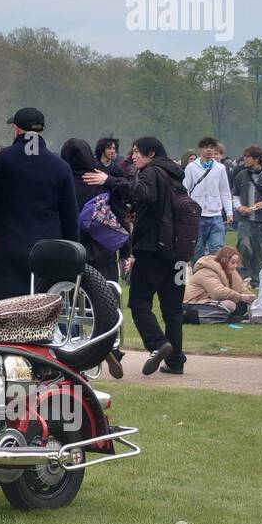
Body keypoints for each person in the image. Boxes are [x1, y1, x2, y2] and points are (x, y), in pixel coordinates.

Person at [82, 136, 184, 374]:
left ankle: (158, 344)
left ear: (151, 154)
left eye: (138, 152)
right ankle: (176, 360)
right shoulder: (175, 174)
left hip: (152, 249)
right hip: (177, 250)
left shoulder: (151, 172)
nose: (134, 156)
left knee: (139, 302)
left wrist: (109, 181)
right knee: (173, 309)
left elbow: (142, 192)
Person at [0, 107, 78, 300]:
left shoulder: (0, 160)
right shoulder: (61, 166)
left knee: (5, 312)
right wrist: (73, 253)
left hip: (8, 248)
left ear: (16, 129)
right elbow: (70, 215)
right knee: (43, 312)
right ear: (41, 131)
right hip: (47, 251)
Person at [61, 137, 127, 284]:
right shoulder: (102, 178)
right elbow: (119, 213)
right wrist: (125, 250)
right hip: (102, 247)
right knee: (106, 292)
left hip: (71, 245)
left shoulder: (63, 180)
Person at [232, 145, 262, 280]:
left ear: (257, 159)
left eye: (248, 157)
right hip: (245, 220)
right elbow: (235, 195)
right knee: (244, 245)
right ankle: (244, 275)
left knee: (260, 252)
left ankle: (259, 280)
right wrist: (239, 207)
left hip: (261, 221)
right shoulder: (241, 175)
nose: (244, 159)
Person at [183, 136, 233, 263]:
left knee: (216, 248)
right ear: (200, 150)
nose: (209, 150)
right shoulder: (191, 167)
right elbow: (185, 189)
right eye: (206, 148)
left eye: (211, 148)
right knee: (197, 249)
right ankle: (198, 277)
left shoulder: (220, 168)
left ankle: (215, 275)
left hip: (215, 213)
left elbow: (225, 191)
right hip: (197, 214)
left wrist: (229, 212)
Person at [182, 245, 254, 323]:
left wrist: (251, 298)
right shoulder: (207, 271)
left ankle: (229, 318)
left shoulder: (231, 272)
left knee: (242, 304)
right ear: (224, 260)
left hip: (210, 302)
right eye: (233, 262)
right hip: (193, 305)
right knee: (230, 304)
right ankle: (226, 319)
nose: (235, 266)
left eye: (236, 263)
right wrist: (240, 297)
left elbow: (240, 288)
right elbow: (217, 292)